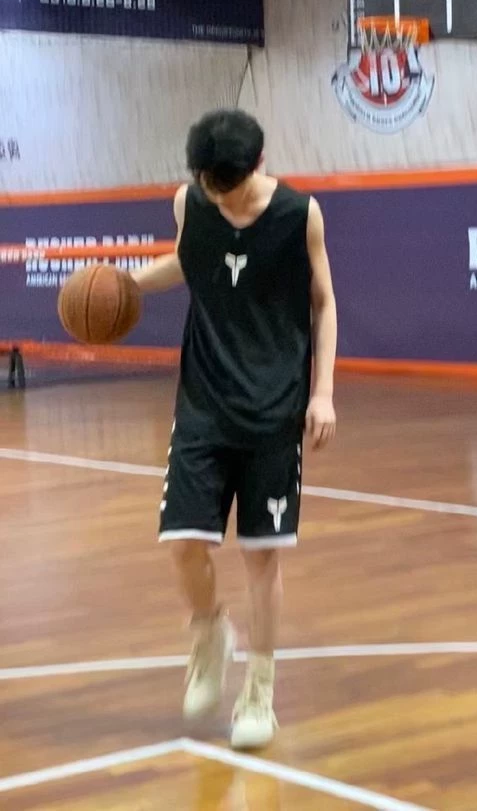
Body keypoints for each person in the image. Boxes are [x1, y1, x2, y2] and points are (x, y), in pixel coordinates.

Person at [132, 109, 337, 749]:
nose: (219, 197)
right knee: (183, 543)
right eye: (209, 187)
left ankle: (260, 692)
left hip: (274, 409)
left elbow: (324, 302)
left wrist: (324, 393)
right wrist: (125, 284)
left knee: (261, 556)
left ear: (258, 164)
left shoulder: (299, 215)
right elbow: (188, 260)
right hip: (203, 403)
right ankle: (209, 633)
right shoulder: (189, 204)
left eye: (230, 186)